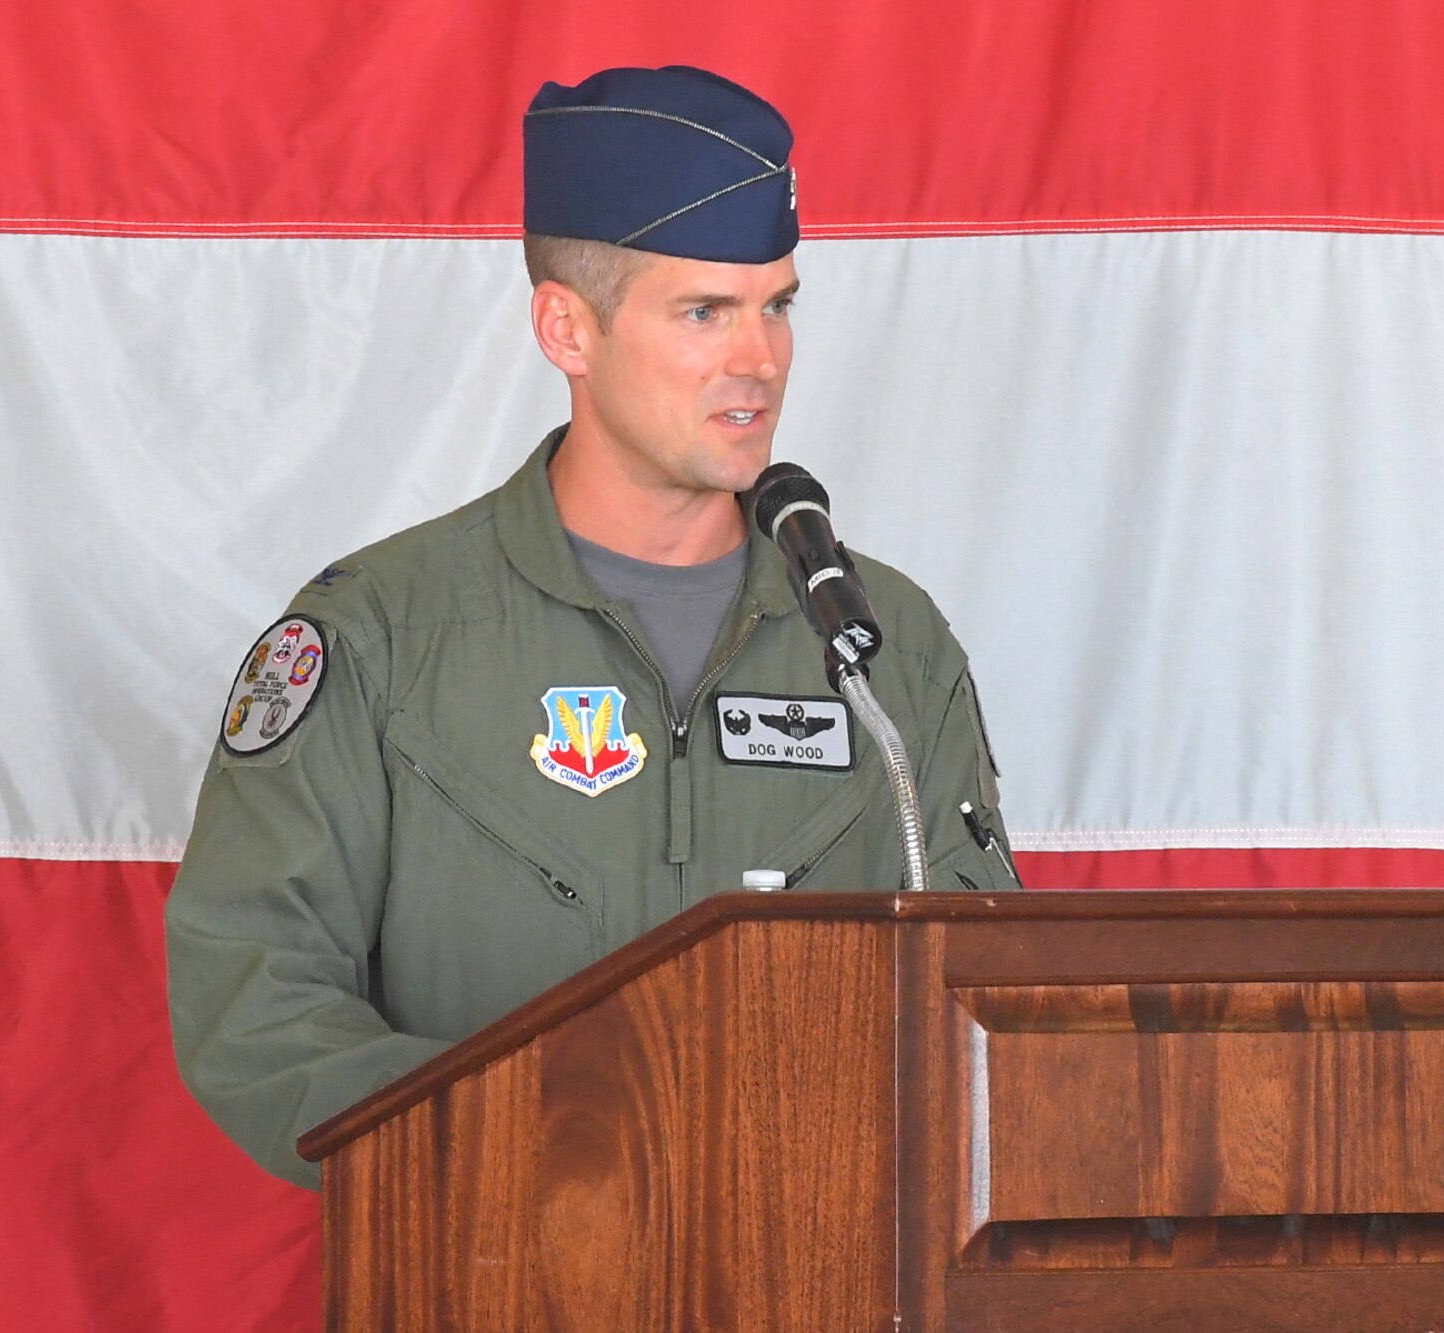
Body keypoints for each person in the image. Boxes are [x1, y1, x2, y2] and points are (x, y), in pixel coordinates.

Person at [165, 66, 1019, 1190]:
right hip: (484, 1272)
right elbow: (254, 1000)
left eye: (778, 304)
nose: (757, 360)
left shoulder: (878, 643)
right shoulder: (381, 637)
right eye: (704, 310)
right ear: (567, 326)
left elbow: (986, 1004)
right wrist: (563, 1147)